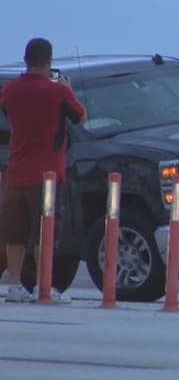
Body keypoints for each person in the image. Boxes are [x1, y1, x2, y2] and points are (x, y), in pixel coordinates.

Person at [0, 38, 87, 302]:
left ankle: (14, 284)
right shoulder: (58, 92)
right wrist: (67, 89)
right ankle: (42, 284)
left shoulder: (9, 90)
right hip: (47, 175)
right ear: (49, 60)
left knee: (14, 231)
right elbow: (80, 117)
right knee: (44, 231)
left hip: (15, 171)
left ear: (25, 59)